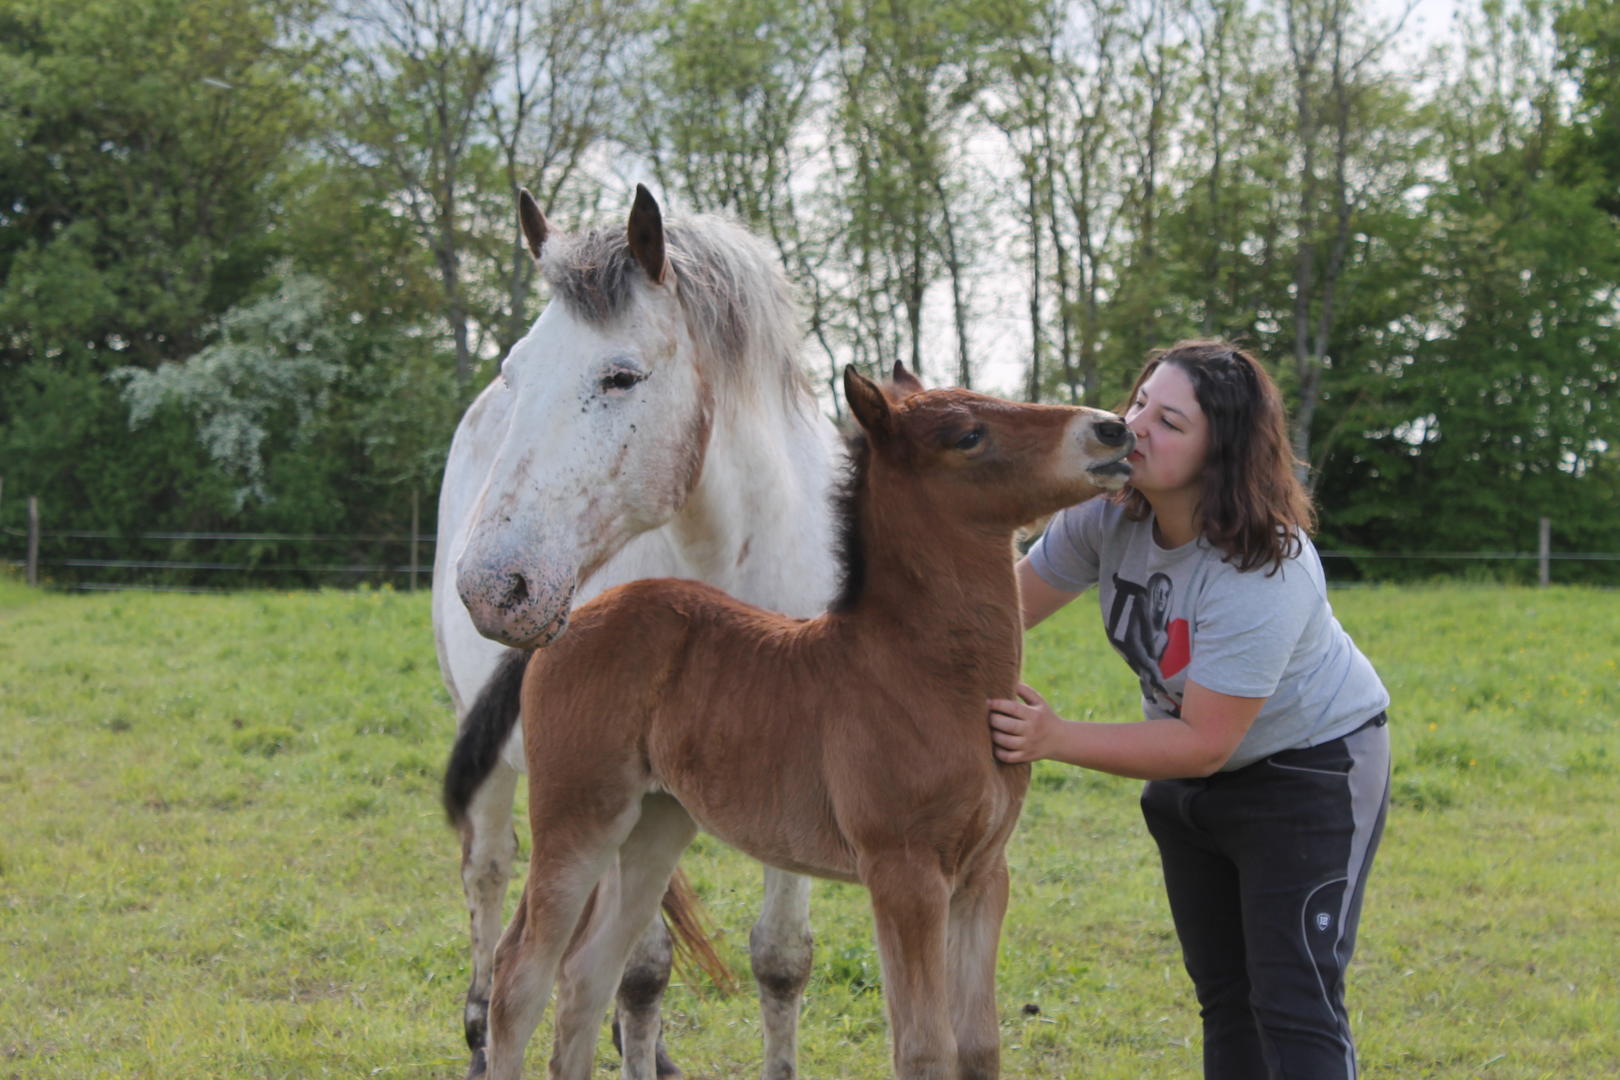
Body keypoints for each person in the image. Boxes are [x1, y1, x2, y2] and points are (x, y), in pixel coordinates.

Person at [988, 340, 1391, 1080]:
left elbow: (1206, 741)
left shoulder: (1264, 567)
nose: (1136, 425)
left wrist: (1053, 736)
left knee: (1294, 1000)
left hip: (1309, 773)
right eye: (1139, 402)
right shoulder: (1105, 516)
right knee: (1227, 999)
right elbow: (998, 615)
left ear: (1222, 452)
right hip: (1188, 780)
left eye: (1170, 421)